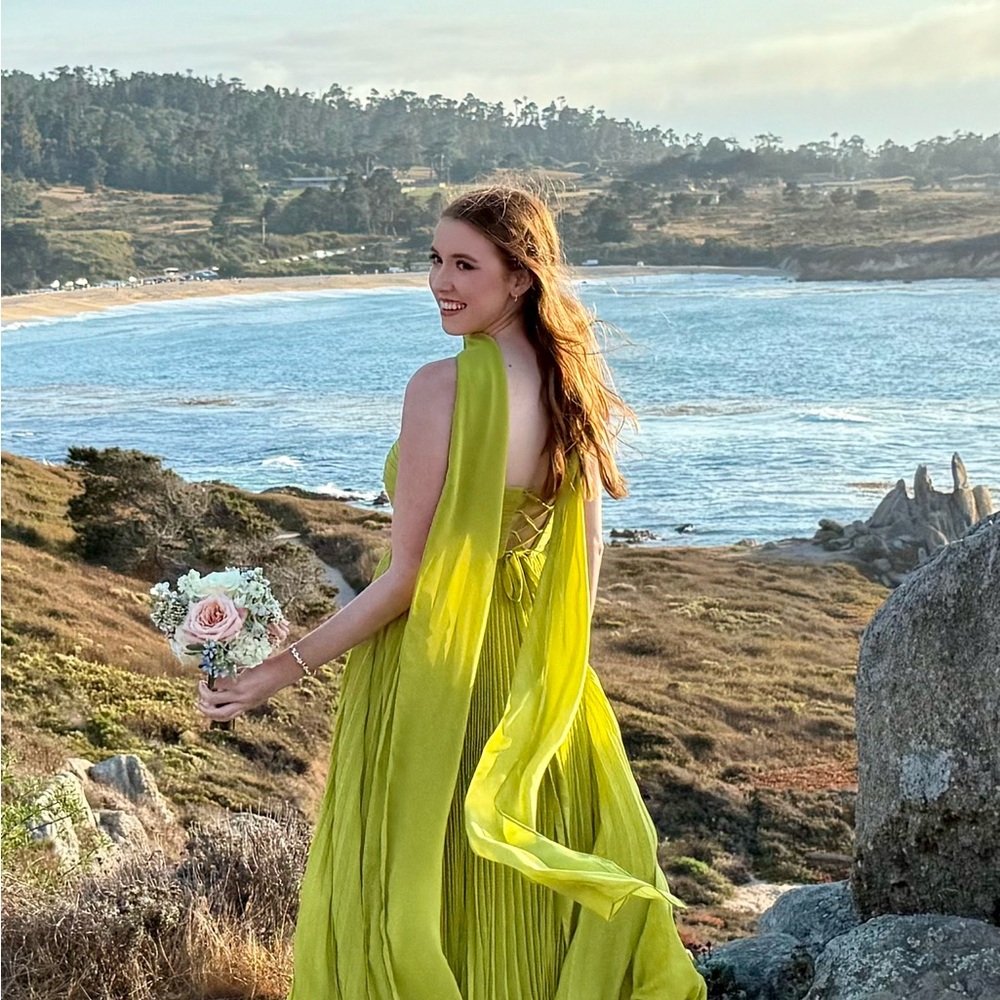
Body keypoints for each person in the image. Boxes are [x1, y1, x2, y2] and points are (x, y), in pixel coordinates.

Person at [198, 186, 707, 1000]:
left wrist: (276, 670)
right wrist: (558, 681)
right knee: (519, 883)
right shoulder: (573, 390)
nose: (441, 281)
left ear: (520, 279)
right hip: (537, 668)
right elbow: (588, 556)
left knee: (418, 882)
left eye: (466, 264)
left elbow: (408, 579)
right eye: (436, 259)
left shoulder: (441, 387)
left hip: (434, 665)